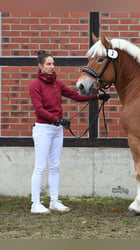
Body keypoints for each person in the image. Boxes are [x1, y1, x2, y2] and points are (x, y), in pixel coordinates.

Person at [29, 50, 110, 214]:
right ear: (40, 66)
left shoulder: (56, 84)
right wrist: (57, 119)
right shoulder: (35, 86)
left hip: (57, 129)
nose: (52, 67)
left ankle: (54, 201)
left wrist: (97, 98)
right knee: (40, 167)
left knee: (56, 166)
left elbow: (76, 96)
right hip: (43, 129)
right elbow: (39, 110)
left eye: (53, 63)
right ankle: (35, 203)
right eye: (48, 64)